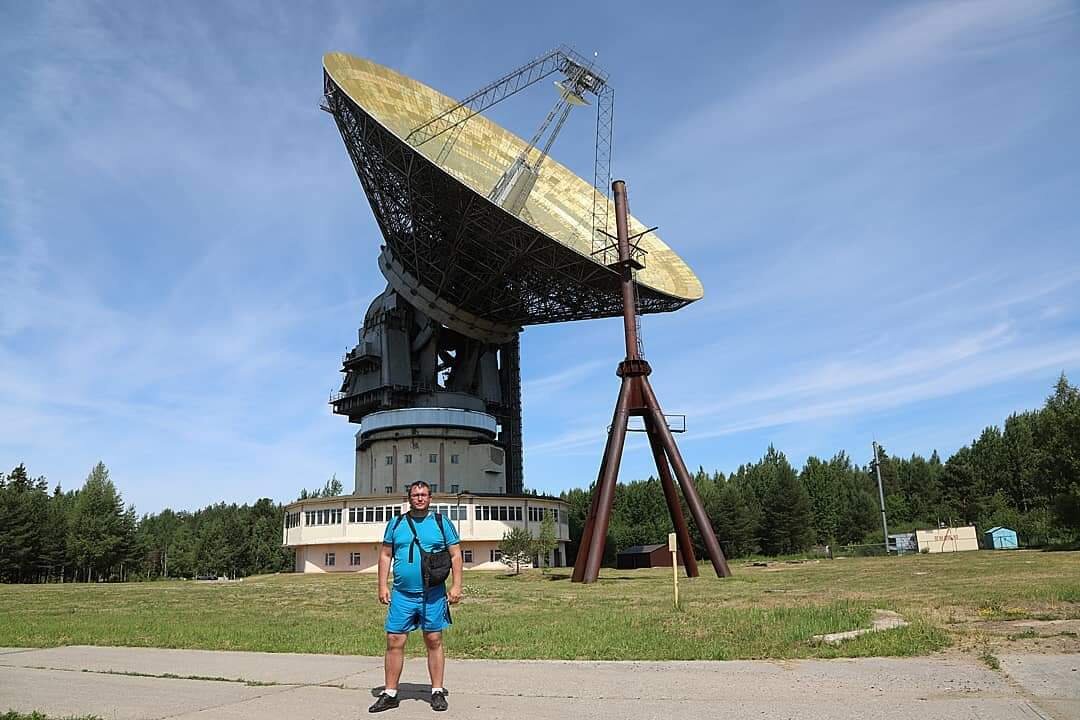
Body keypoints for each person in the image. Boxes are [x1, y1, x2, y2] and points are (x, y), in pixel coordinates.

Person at [369, 480, 463, 713]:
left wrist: (456, 586)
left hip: (433, 594)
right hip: (402, 594)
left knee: (433, 640)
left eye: (423, 495)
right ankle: (390, 693)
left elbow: (456, 555)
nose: (419, 498)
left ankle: (437, 691)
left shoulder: (442, 523)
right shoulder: (396, 523)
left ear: (430, 498)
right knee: (394, 640)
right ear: (408, 498)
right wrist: (382, 585)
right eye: (415, 495)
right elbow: (385, 555)